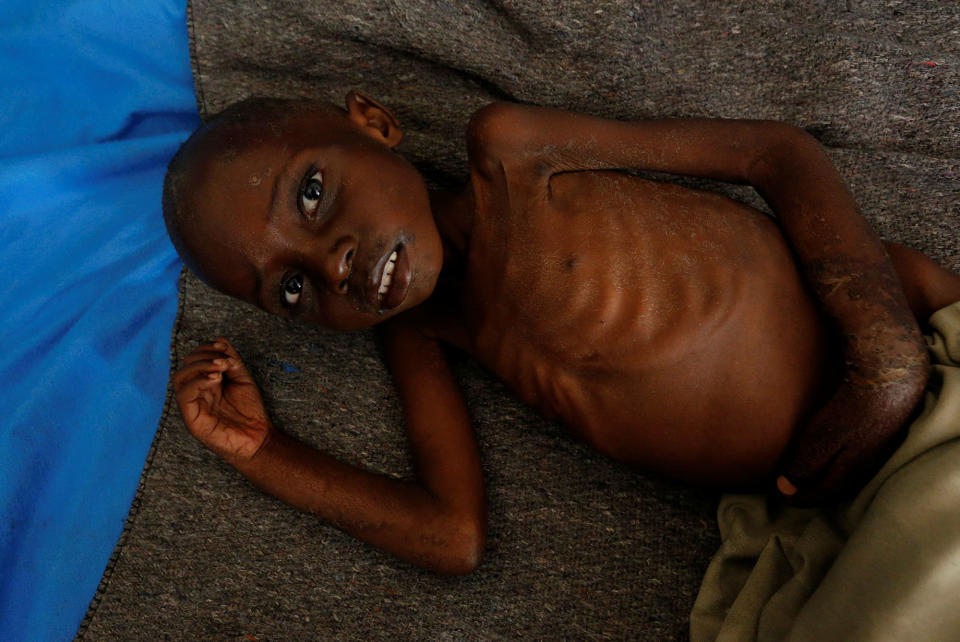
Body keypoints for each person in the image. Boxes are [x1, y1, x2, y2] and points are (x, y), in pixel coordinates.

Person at [162, 91, 960, 575]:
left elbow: (773, 152)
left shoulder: (512, 153)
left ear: (372, 123)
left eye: (310, 194)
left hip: (915, 341)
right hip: (849, 514)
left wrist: (883, 362)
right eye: (292, 288)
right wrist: (264, 456)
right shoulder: (421, 334)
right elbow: (453, 536)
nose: (332, 264)